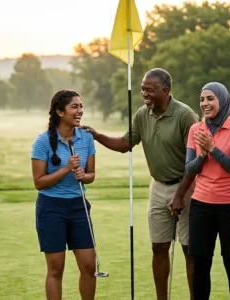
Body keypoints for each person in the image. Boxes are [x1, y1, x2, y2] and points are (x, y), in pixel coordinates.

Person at [82, 68, 198, 300]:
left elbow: (195, 162)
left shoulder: (185, 115)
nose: (144, 94)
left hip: (187, 186)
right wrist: (96, 135)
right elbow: (125, 144)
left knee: (189, 250)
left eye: (149, 90)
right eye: (142, 89)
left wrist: (180, 195)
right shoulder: (142, 114)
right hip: (158, 186)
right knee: (158, 247)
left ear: (165, 91)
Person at [31, 90, 98, 300]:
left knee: (89, 265)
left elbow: (91, 175)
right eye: (74, 107)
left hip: (79, 207)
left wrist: (83, 175)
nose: (80, 111)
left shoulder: (86, 138)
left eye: (81, 106)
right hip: (51, 208)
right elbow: (38, 182)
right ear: (60, 112)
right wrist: (66, 169)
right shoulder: (42, 142)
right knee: (56, 268)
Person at [185, 82, 230, 300]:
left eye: (210, 98)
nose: (205, 104)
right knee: (200, 264)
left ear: (222, 99)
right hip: (201, 205)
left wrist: (212, 149)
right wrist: (202, 155)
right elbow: (189, 169)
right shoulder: (195, 129)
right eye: (202, 99)